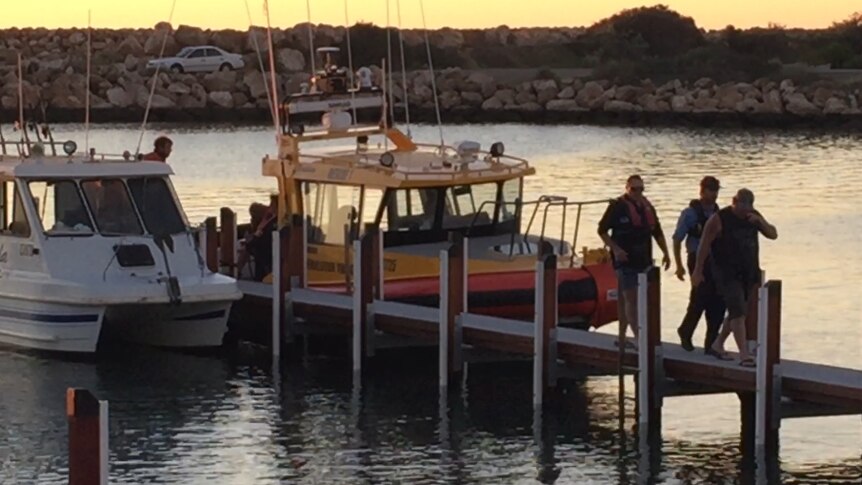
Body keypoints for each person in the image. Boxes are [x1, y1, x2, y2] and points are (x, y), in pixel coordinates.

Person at [692, 188, 777, 366]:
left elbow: (773, 234)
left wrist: (760, 222)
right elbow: (704, 245)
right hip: (726, 273)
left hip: (748, 271)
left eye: (749, 205)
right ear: (734, 201)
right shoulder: (719, 219)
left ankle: (717, 343)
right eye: (742, 205)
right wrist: (697, 271)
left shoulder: (753, 216)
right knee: (738, 311)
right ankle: (744, 355)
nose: (745, 209)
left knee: (739, 312)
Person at [598, 175, 671, 348]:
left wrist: (666, 253)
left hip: (644, 260)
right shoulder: (617, 207)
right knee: (630, 298)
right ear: (627, 188)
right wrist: (615, 249)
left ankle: (623, 337)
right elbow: (602, 230)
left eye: (640, 189)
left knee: (631, 300)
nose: (637, 192)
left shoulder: (647, 207)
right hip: (625, 261)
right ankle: (640, 338)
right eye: (634, 189)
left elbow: (657, 232)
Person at [672, 176, 725, 352]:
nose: (714, 194)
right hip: (696, 259)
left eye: (716, 190)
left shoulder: (719, 214)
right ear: (702, 191)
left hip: (716, 260)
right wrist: (678, 265)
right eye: (711, 190)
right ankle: (685, 331)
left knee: (718, 300)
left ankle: (711, 342)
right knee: (700, 296)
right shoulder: (690, 213)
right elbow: (677, 239)